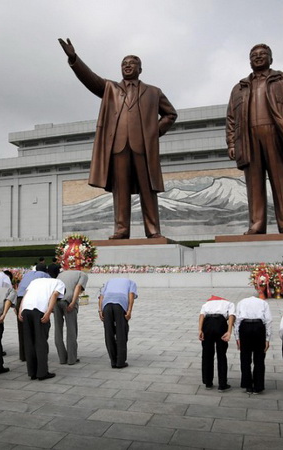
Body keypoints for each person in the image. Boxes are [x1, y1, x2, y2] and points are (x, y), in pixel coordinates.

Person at [59, 38, 177, 239]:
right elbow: (90, 78)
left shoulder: (154, 92)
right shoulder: (110, 89)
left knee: (148, 189)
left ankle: (153, 230)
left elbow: (170, 114)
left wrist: (153, 132)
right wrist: (74, 59)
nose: (127, 66)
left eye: (131, 64)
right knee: (120, 190)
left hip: (143, 148)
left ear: (140, 69)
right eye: (124, 64)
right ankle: (121, 230)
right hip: (118, 146)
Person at [226, 44, 283, 234]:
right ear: (249, 60)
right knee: (254, 183)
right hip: (248, 139)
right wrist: (232, 143)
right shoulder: (239, 88)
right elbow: (231, 118)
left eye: (262, 54)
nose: (258, 57)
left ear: (271, 59)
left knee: (281, 181)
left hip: (277, 135)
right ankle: (256, 225)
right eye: (253, 55)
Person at [17, 277, 65, 380]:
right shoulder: (59, 283)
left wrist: (20, 309)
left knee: (29, 342)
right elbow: (54, 295)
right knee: (41, 342)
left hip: (26, 310)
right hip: (39, 311)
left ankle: (32, 372)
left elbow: (26, 295)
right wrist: (48, 312)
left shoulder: (35, 281)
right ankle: (42, 373)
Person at [234, 295, 272, 394]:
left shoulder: (241, 302)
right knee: (259, 357)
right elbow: (268, 320)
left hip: (244, 327)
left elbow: (237, 320)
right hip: (259, 327)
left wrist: (237, 337)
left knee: (245, 357)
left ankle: (247, 385)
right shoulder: (263, 303)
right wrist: (267, 339)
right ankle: (258, 386)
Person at [198, 295, 235, 392]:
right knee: (222, 354)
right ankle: (222, 384)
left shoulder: (207, 303)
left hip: (208, 324)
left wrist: (200, 330)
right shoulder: (229, 304)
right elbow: (231, 316)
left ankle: (208, 382)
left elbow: (202, 315)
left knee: (207, 354)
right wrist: (229, 331)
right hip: (221, 323)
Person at [98, 278, 137, 368]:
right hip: (120, 305)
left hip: (106, 306)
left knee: (109, 333)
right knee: (121, 333)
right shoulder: (131, 282)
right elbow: (131, 295)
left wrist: (100, 311)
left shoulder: (108, 282)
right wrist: (129, 310)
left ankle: (113, 361)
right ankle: (120, 362)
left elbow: (101, 296)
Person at [15, 270, 51, 361]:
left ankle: (24, 355)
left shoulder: (27, 274)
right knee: (39, 329)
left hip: (19, 299)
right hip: (33, 300)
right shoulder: (45, 275)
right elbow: (50, 289)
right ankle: (39, 353)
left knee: (23, 329)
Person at [55, 270, 88, 365]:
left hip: (56, 301)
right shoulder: (83, 275)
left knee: (58, 330)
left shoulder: (60, 274)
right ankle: (71, 359)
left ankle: (62, 358)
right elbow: (78, 287)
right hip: (68, 300)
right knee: (71, 330)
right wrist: (73, 302)